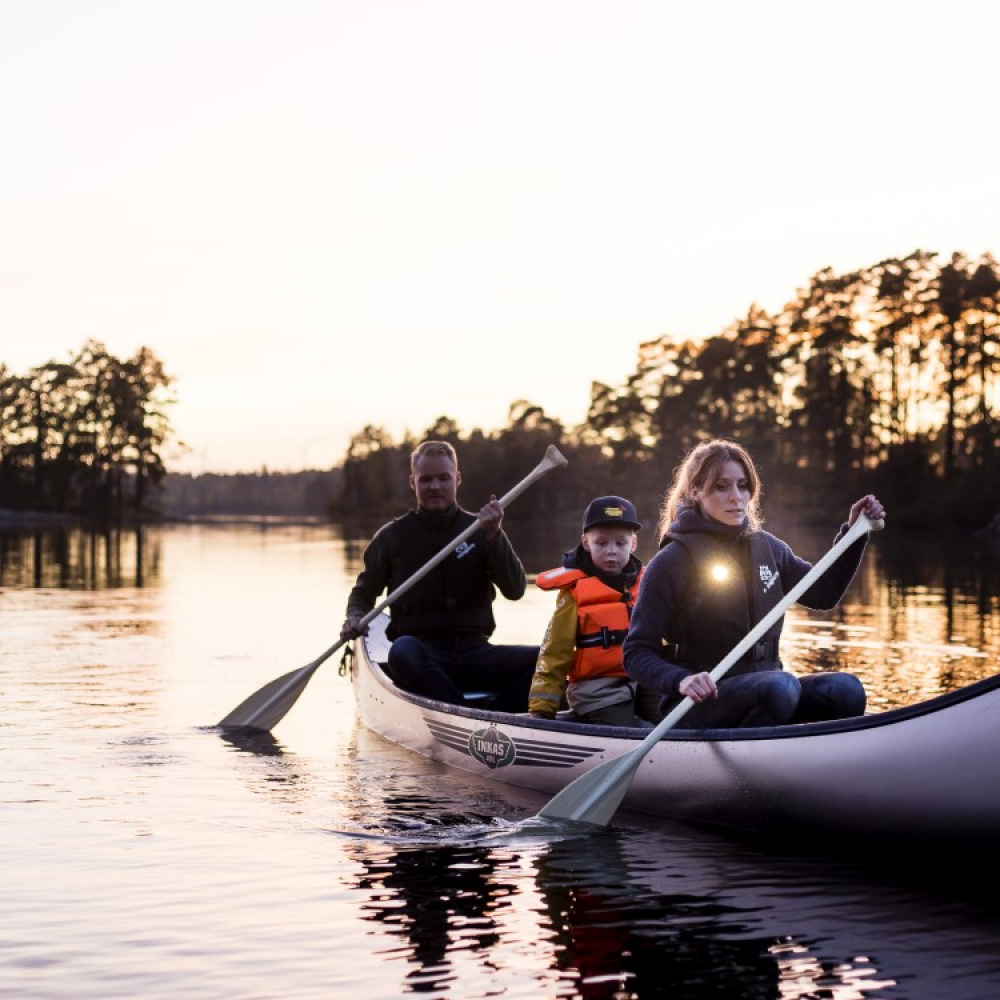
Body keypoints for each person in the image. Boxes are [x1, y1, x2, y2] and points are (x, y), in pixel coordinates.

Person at [623, 439, 886, 728]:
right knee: (780, 688)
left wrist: (854, 534)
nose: (736, 496)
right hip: (696, 705)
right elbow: (636, 652)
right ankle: (754, 766)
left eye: (743, 485)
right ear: (696, 492)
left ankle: (807, 760)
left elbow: (823, 595)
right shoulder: (672, 560)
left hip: (768, 692)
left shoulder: (769, 548)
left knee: (846, 690)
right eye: (721, 487)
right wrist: (681, 681)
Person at [340, 439, 537, 711]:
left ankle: (497, 716)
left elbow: (515, 590)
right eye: (426, 479)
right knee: (401, 651)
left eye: (444, 478)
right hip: (422, 656)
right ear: (413, 482)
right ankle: (463, 714)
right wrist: (355, 616)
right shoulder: (391, 538)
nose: (435, 486)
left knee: (546, 659)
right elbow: (363, 593)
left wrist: (495, 536)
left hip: (475, 654)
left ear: (457, 479)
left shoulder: (481, 530)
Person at [528, 495, 659, 728]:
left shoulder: (647, 584)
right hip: (598, 691)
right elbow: (554, 653)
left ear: (634, 544)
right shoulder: (574, 594)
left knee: (669, 717)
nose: (611, 551)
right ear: (586, 542)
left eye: (620, 543)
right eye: (601, 543)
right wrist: (542, 709)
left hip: (643, 679)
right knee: (621, 728)